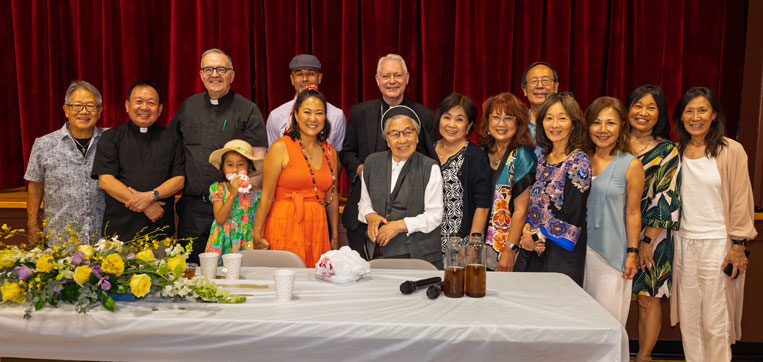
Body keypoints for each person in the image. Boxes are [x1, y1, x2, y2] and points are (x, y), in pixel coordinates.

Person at [672, 87, 755, 362]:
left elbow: (742, 199)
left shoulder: (731, 151)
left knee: (716, 320)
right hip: (684, 243)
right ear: (681, 117)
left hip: (718, 244)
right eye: (689, 111)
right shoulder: (676, 152)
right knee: (690, 317)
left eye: (702, 110)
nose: (695, 117)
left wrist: (739, 245)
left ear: (714, 115)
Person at [170, 48, 268, 262]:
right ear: (201, 74)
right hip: (194, 208)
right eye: (208, 69)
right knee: (191, 272)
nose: (215, 74)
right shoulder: (189, 107)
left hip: (235, 209)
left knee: (234, 272)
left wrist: (250, 208)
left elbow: (259, 159)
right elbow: (172, 149)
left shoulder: (248, 110)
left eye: (221, 69)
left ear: (232, 75)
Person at [340, 54, 437, 259]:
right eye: (386, 76)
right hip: (364, 214)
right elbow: (347, 152)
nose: (392, 81)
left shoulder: (424, 115)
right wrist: (362, 169)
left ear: (407, 78)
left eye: (397, 75)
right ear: (377, 79)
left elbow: (429, 158)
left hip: (407, 223)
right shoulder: (360, 112)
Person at [253, 87, 340, 267]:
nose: (313, 118)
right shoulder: (280, 147)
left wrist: (335, 236)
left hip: (317, 227)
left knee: (315, 287)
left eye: (319, 113)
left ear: (325, 117)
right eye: (307, 112)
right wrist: (257, 233)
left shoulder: (330, 152)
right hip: (285, 223)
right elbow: (267, 196)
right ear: (296, 115)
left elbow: (332, 197)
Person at [627, 85, 682, 362]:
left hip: (653, 234)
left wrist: (647, 241)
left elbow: (666, 197)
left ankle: (644, 357)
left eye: (651, 107)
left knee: (649, 297)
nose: (643, 113)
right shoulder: (613, 140)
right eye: (638, 105)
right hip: (617, 230)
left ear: (660, 114)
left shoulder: (667, 150)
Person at [91, 81, 184, 241]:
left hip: (160, 230)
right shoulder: (111, 138)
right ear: (127, 105)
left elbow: (179, 180)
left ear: (160, 109)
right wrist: (147, 205)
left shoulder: (172, 138)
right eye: (139, 101)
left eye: (151, 103)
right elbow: (106, 181)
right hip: (119, 232)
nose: (145, 108)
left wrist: (150, 196)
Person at [583, 96, 645, 325]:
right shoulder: (580, 160)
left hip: (611, 256)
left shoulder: (631, 165)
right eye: (597, 122)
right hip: (577, 253)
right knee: (581, 324)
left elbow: (633, 212)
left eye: (610, 123)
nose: (603, 129)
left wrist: (632, 252)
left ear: (622, 127)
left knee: (608, 324)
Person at [357, 106, 443, 268]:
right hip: (378, 253)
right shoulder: (372, 163)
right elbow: (364, 203)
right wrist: (370, 216)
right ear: (387, 140)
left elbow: (435, 215)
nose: (402, 140)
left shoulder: (429, 167)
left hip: (418, 256)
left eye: (408, 132)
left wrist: (399, 226)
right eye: (395, 134)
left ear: (417, 137)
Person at [519, 92, 591, 286]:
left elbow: (573, 215)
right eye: (549, 118)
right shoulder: (542, 157)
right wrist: (527, 230)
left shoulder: (578, 161)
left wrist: (536, 236)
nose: (555, 124)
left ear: (573, 123)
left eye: (562, 118)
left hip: (561, 254)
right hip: (533, 249)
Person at [24, 81, 106, 245]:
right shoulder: (44, 144)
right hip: (60, 241)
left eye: (90, 106)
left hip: (103, 240)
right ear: (66, 110)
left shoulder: (110, 140)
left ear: (99, 111)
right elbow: (35, 185)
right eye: (77, 105)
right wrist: (32, 225)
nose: (84, 111)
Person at [478, 92, 537, 271]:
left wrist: (509, 249)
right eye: (496, 117)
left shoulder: (523, 156)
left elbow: (521, 210)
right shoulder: (483, 152)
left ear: (518, 124)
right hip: (478, 244)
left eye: (508, 118)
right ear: (488, 123)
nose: (501, 124)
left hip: (505, 245)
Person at [433, 93, 491, 260]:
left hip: (459, 244)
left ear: (469, 125)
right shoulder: (428, 150)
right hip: (427, 242)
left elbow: (483, 205)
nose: (451, 124)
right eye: (447, 117)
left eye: (459, 119)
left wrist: (472, 246)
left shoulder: (475, 156)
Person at [266, 54, 346, 151]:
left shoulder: (336, 115)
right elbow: (272, 154)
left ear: (319, 77)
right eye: (299, 74)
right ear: (292, 79)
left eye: (311, 74)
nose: (305, 79)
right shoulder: (276, 116)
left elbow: (338, 156)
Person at [205, 139, 266, 255]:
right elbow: (220, 219)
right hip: (223, 242)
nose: (235, 169)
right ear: (222, 168)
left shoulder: (258, 194)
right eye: (229, 165)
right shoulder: (218, 189)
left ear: (249, 168)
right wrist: (232, 194)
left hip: (246, 243)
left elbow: (260, 222)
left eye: (241, 164)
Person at [520, 62, 559, 136]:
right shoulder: (517, 125)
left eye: (545, 80)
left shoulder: (566, 125)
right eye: (533, 81)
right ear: (524, 90)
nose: (540, 86)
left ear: (556, 87)